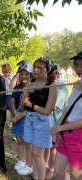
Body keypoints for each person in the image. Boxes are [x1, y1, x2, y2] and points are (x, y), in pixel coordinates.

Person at [20, 57, 58, 180]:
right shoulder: (31, 81)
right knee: (32, 152)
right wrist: (27, 92)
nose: (35, 69)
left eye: (39, 68)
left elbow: (47, 111)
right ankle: (35, 177)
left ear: (48, 70)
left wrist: (30, 104)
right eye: (34, 66)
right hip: (29, 119)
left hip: (42, 121)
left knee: (37, 154)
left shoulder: (51, 86)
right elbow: (21, 103)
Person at [51, 51, 82, 180]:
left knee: (76, 175)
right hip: (65, 130)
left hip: (79, 136)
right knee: (58, 173)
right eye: (77, 65)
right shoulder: (77, 84)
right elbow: (69, 107)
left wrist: (60, 128)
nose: (79, 69)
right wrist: (57, 127)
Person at [44, 64, 68, 179]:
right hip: (46, 120)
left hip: (56, 122)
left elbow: (54, 106)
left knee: (54, 147)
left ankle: (51, 168)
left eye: (53, 73)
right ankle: (44, 165)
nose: (50, 75)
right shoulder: (47, 85)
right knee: (45, 145)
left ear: (58, 74)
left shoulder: (62, 86)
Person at [11, 63, 33, 175]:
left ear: (31, 75)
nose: (24, 76)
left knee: (27, 142)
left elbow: (32, 106)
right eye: (22, 74)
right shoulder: (17, 87)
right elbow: (12, 100)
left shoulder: (33, 88)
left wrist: (20, 115)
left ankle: (30, 164)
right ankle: (21, 160)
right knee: (19, 141)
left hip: (26, 116)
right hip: (17, 115)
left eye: (27, 74)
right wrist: (15, 112)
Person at [1, 63, 14, 128]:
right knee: (4, 109)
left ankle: (11, 122)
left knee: (11, 109)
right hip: (4, 94)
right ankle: (3, 121)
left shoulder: (12, 76)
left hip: (10, 94)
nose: (1, 70)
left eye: (2, 69)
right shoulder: (2, 77)